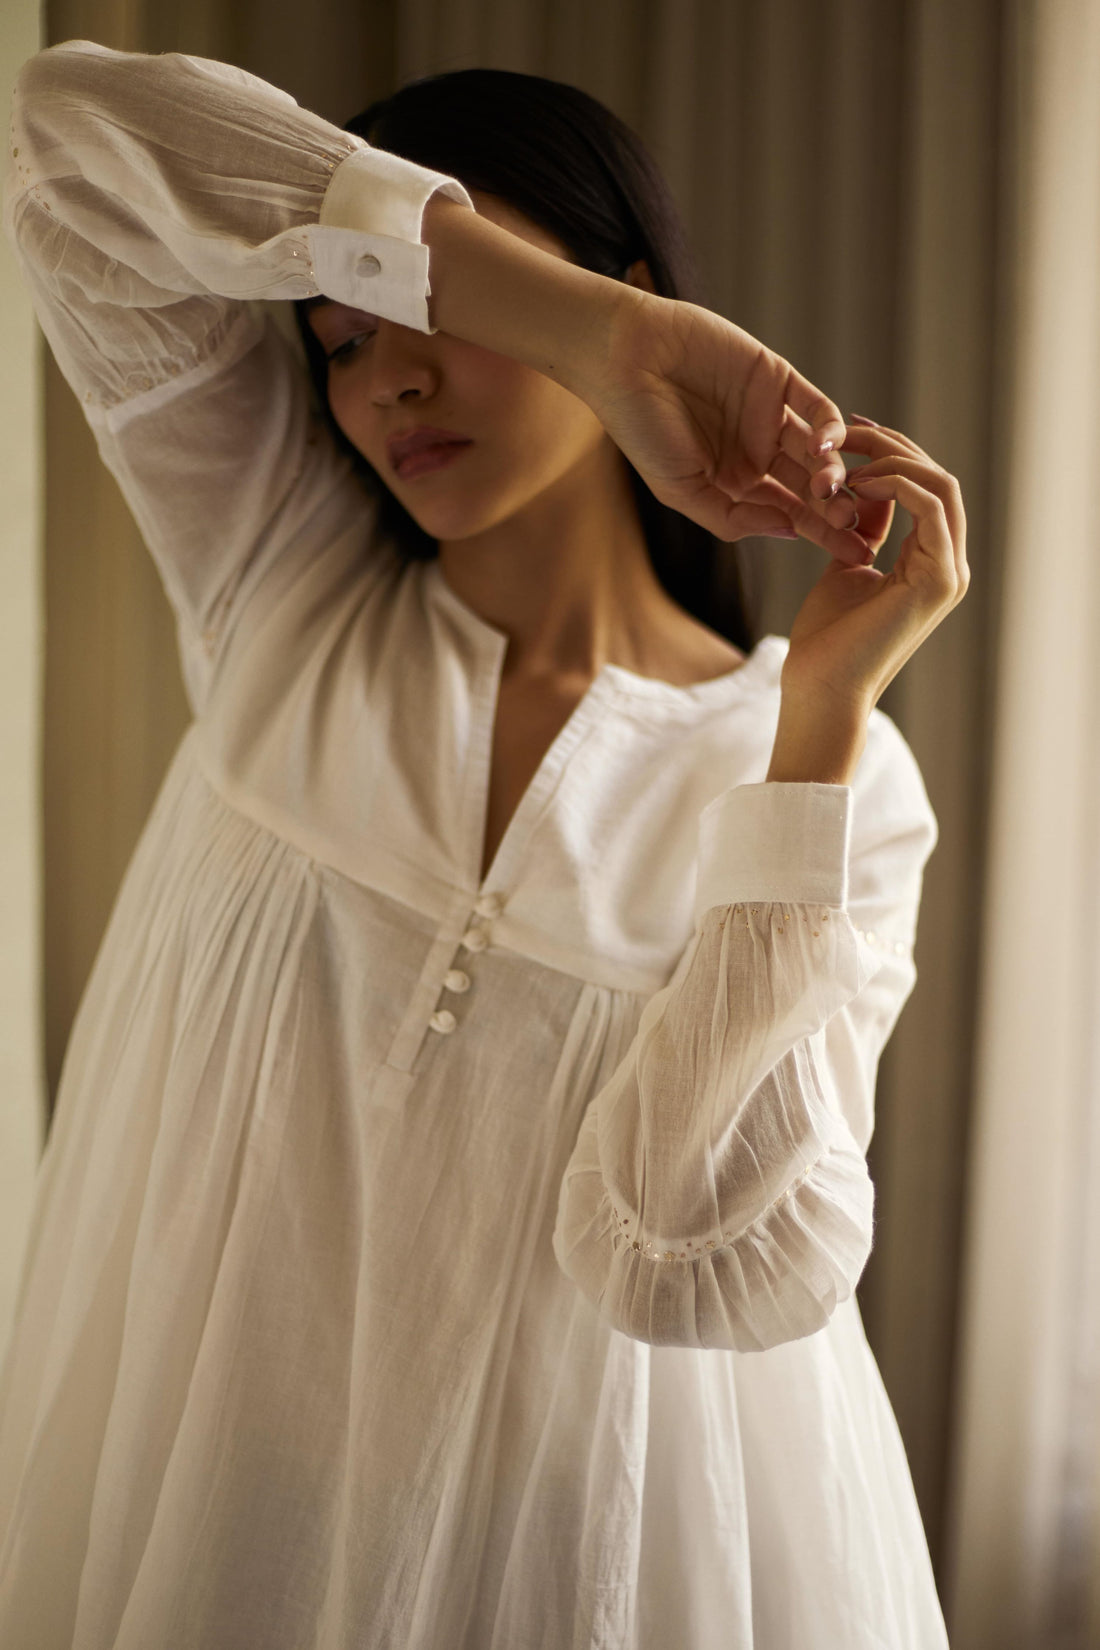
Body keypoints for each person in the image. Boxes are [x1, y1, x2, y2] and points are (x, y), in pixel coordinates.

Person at [0, 37, 966, 1650]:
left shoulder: (835, 779)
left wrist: (822, 708)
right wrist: (602, 334)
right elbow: (58, 140)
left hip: (577, 1561)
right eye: (342, 339)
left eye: (437, 321)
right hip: (218, 1520)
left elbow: (696, 1255)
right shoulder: (276, 594)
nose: (386, 381)